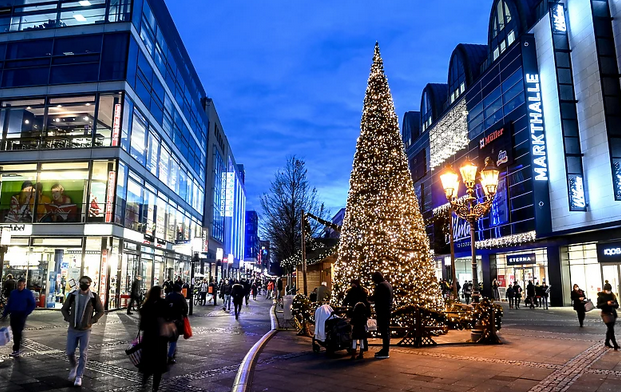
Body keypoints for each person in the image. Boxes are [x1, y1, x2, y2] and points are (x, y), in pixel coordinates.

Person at [61, 276, 104, 387]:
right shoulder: (73, 295)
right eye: (82, 282)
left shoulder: (93, 297)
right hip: (73, 329)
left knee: (83, 353)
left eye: (86, 282)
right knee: (70, 351)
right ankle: (74, 366)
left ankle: (79, 376)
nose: (84, 284)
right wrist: (68, 318)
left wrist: (92, 320)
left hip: (85, 330)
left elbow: (100, 310)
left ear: (90, 284)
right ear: (79, 283)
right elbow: (64, 308)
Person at [139, 286, 169, 391]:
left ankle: (144, 381)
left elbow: (142, 325)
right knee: (158, 365)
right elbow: (168, 317)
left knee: (148, 361)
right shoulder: (163, 303)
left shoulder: (146, 305)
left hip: (149, 337)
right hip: (160, 338)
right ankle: (155, 387)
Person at [1, 278, 35, 357]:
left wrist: (26, 312)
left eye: (21, 285)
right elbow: (9, 304)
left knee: (18, 331)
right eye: (18, 285)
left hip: (21, 314)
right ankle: (18, 345)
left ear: (24, 285)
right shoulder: (13, 293)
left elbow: (32, 304)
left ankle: (16, 348)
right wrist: (5, 314)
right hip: (13, 314)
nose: (19, 287)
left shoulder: (27, 293)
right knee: (14, 331)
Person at [369, 271, 392, 359]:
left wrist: (368, 298)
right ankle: (385, 349)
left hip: (383, 311)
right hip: (386, 310)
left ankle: (385, 351)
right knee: (385, 330)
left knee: (384, 331)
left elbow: (377, 297)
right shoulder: (387, 284)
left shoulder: (381, 286)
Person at [344, 279, 370, 351]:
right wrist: (368, 313)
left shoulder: (352, 291)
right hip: (361, 314)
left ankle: (353, 348)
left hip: (355, 313)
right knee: (362, 332)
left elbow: (346, 300)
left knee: (355, 332)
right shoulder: (363, 291)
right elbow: (367, 303)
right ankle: (363, 347)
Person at [166, 284, 188, 364]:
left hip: (168, 320)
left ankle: (172, 353)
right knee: (174, 339)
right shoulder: (181, 297)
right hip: (177, 320)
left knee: (170, 337)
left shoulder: (168, 296)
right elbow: (185, 308)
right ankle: (170, 355)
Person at [598, 281, 619, 350]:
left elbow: (617, 305)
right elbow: (598, 305)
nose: (608, 291)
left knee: (609, 329)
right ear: (604, 290)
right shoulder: (601, 296)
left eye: (609, 290)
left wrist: (613, 304)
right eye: (607, 290)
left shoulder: (612, 295)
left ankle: (607, 342)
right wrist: (606, 303)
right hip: (605, 314)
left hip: (613, 314)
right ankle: (615, 344)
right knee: (611, 329)